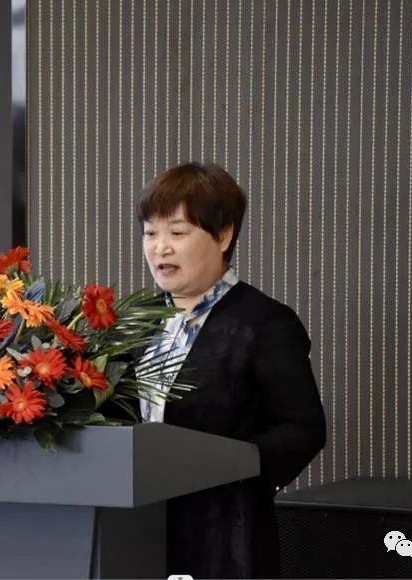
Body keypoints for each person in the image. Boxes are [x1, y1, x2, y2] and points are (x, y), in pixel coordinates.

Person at [135, 162, 327, 579]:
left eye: (177, 233)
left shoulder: (265, 323)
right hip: (135, 532)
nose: (160, 248)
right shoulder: (134, 321)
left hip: (223, 536)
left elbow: (303, 429)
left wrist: (230, 467)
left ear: (223, 236)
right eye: (150, 233)